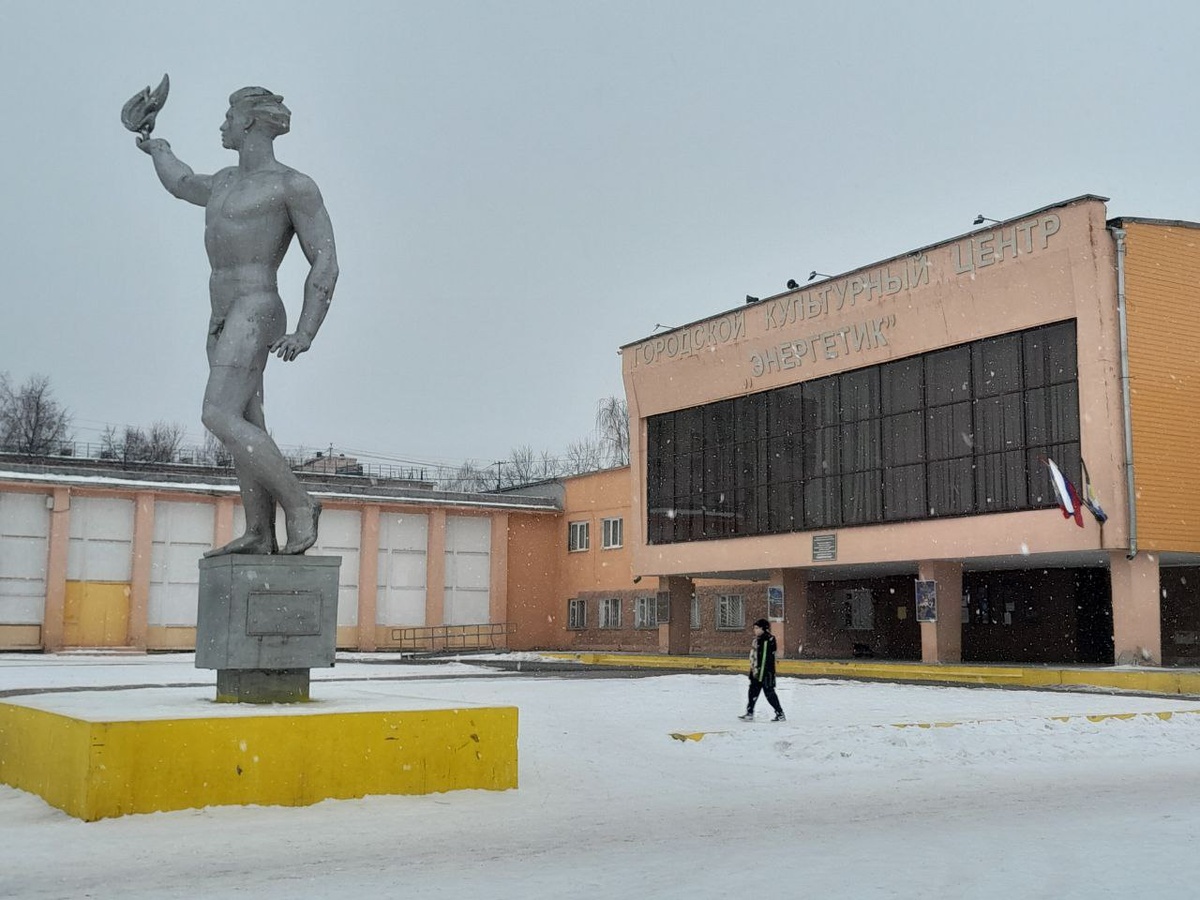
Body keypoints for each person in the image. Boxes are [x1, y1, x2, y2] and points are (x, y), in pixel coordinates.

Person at [136, 87, 339, 556]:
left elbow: (325, 260)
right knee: (246, 421)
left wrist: (306, 331)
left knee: (217, 413)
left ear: (248, 122)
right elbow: (182, 182)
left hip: (257, 304)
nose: (222, 125)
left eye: (228, 117)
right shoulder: (224, 181)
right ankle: (259, 531)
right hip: (222, 311)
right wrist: (157, 146)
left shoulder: (293, 185)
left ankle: (300, 502)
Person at [740, 618, 785, 721]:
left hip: (766, 673)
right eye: (754, 628)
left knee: (769, 693)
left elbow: (765, 658)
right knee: (752, 693)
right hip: (757, 672)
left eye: (757, 628)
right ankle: (750, 712)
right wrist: (754, 671)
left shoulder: (767, 640)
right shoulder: (757, 640)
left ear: (763, 629)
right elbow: (754, 657)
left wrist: (761, 674)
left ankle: (780, 713)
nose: (754, 630)